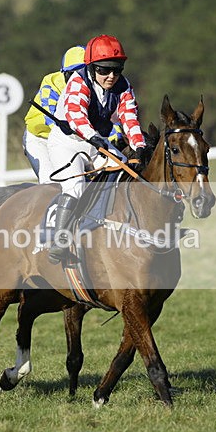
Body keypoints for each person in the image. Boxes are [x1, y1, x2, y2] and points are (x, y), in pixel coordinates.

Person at [46, 34, 147, 263]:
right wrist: (96, 138)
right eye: (103, 70)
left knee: (130, 174)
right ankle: (59, 241)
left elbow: (129, 119)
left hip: (96, 142)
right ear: (91, 67)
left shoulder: (124, 86)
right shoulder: (78, 82)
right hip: (67, 144)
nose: (111, 76)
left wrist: (139, 146)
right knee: (75, 188)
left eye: (117, 69)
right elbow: (75, 117)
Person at [23, 45, 85, 184]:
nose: (77, 79)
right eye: (72, 73)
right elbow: (52, 119)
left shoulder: (94, 86)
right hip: (41, 139)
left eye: (82, 73)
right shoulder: (51, 83)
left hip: (73, 138)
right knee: (52, 184)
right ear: (63, 73)